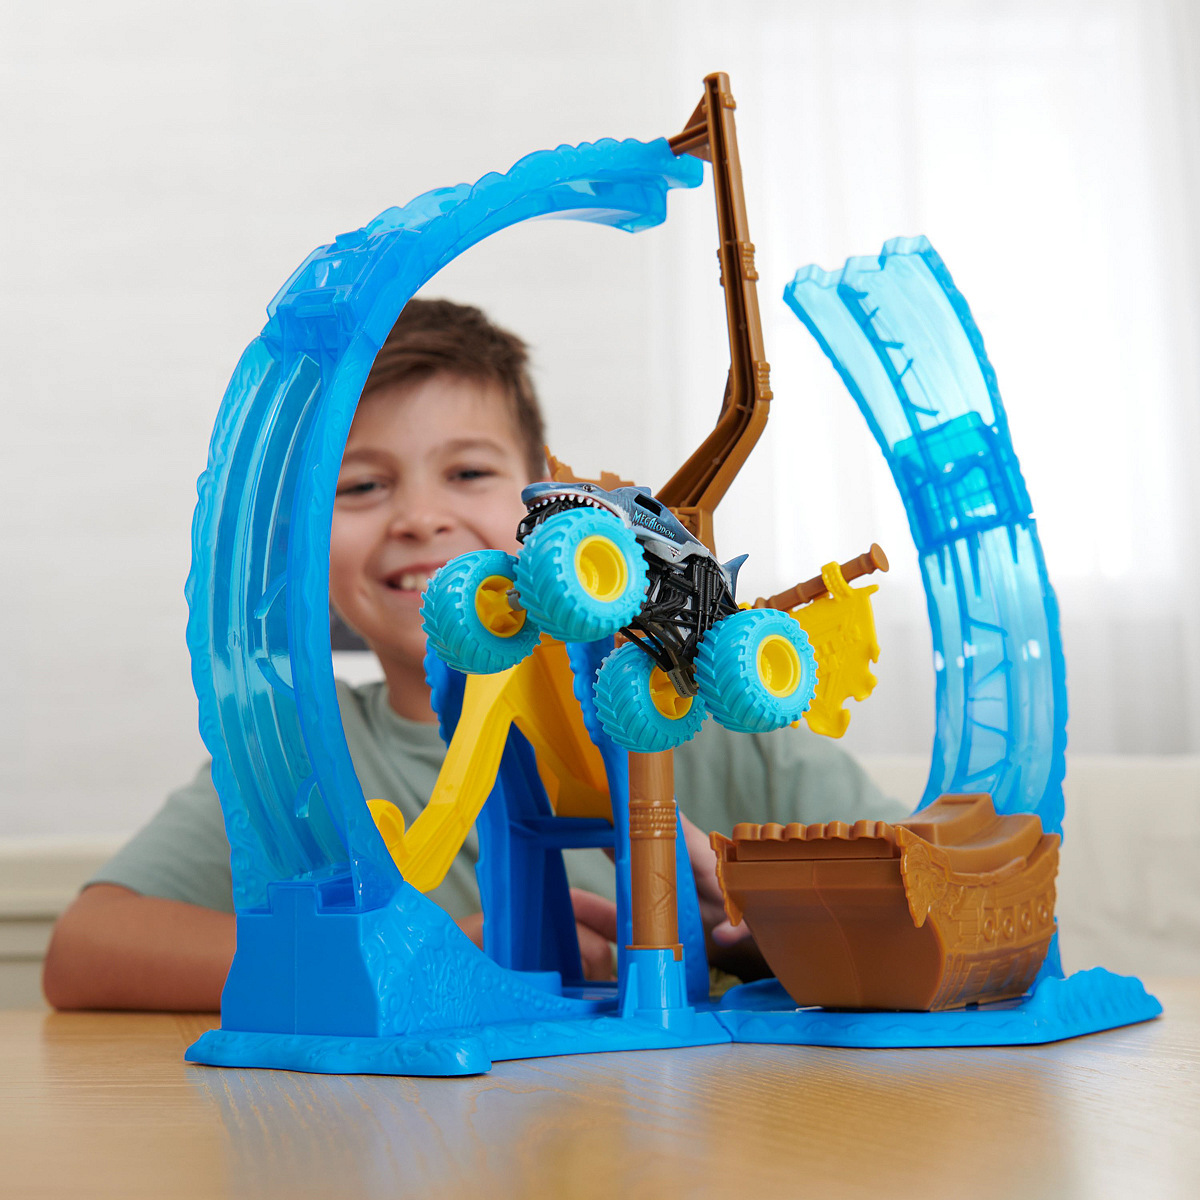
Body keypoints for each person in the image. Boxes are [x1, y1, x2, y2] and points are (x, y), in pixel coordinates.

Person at [43, 298, 904, 1012]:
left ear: (547, 501)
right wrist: (403, 958)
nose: (421, 517)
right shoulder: (306, 752)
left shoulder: (712, 719)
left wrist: (765, 924)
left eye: (467, 474)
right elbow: (86, 952)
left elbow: (917, 905)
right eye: (361, 486)